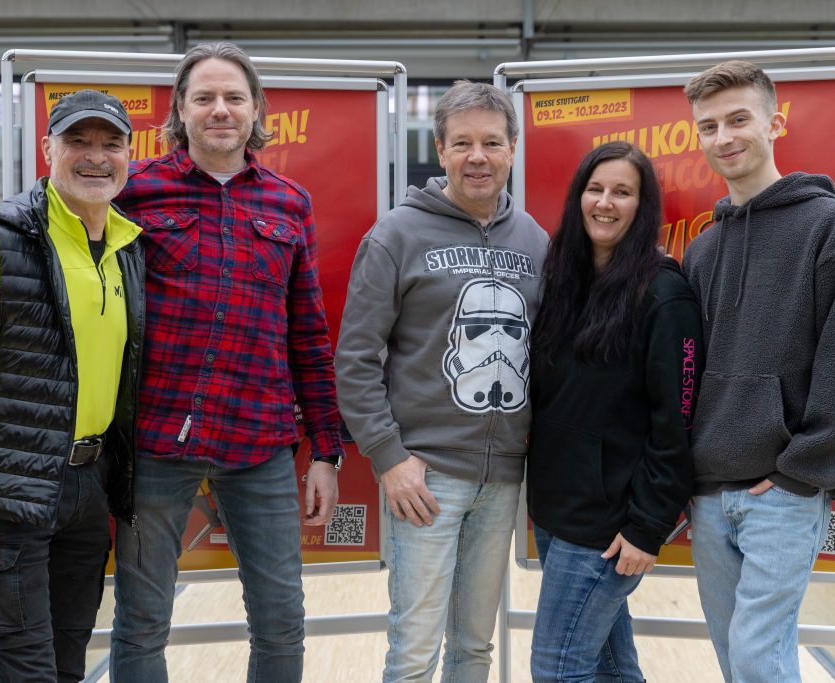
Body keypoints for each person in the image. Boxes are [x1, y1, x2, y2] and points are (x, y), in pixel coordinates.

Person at [108, 42, 343, 683]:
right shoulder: (134, 192)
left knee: (280, 623)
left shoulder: (290, 203)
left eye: (233, 98)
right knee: (141, 623)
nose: (220, 110)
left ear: (256, 110)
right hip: (156, 441)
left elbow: (308, 334)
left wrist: (326, 449)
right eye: (204, 98)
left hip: (261, 443)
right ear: (180, 111)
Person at [0, 89, 143, 682]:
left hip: (87, 492)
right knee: (21, 672)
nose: (96, 157)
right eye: (77, 142)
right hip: (6, 498)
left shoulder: (126, 249)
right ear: (47, 149)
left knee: (67, 667)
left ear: (130, 154)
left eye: (110, 143)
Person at [682, 60, 835, 682]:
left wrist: (804, 471)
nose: (724, 137)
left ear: (774, 124)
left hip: (784, 491)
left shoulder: (833, 229)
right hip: (708, 491)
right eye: (709, 126)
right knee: (736, 655)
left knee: (756, 656)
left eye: (738, 119)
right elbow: (685, 372)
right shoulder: (702, 247)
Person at [335, 80, 549, 682]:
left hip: (503, 478)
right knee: (413, 654)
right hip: (423, 476)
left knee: (474, 649)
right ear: (441, 150)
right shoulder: (397, 235)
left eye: (490, 142)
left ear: (511, 148)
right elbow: (355, 358)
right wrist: (389, 457)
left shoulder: (533, 240)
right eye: (462, 144)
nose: (476, 156)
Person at [525, 141, 701, 682]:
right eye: (595, 189)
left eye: (622, 192)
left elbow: (678, 422)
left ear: (642, 207)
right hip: (557, 511)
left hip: (609, 528)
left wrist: (649, 525)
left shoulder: (663, 294)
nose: (605, 202)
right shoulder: (564, 281)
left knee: (557, 670)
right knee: (611, 670)